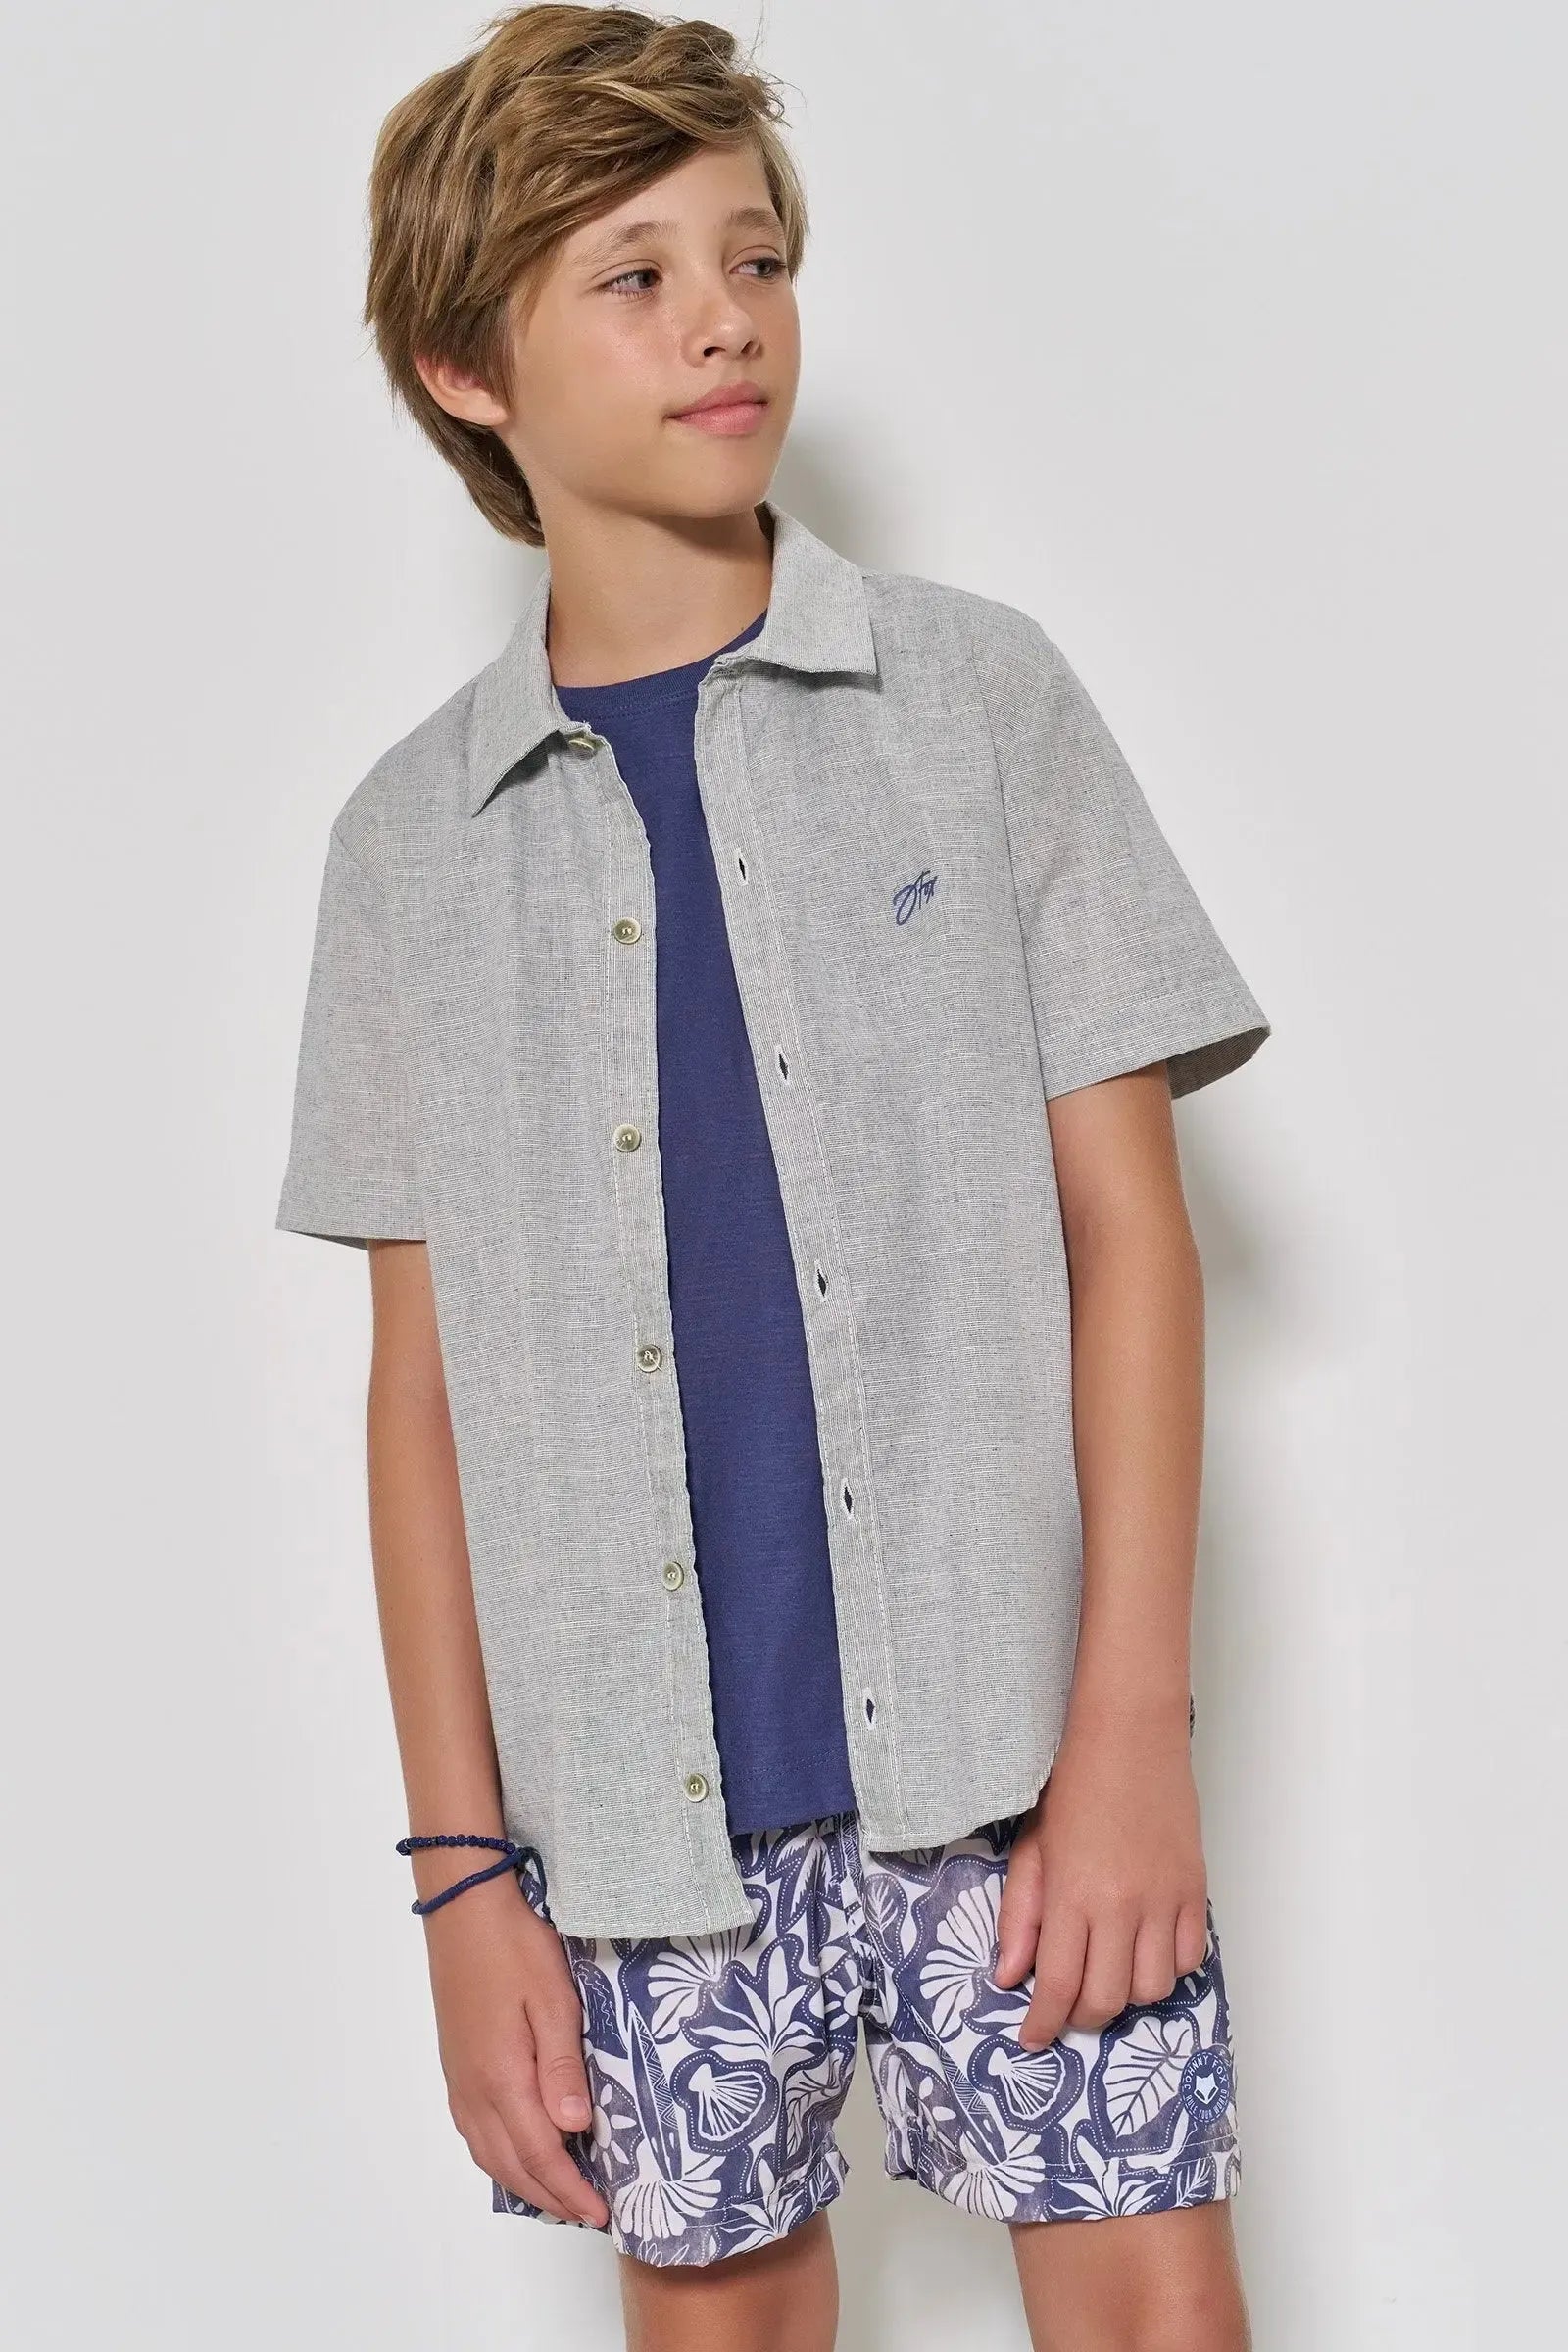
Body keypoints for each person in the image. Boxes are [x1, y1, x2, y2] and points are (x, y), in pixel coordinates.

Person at [273, 9, 1271, 2346]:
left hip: (1013, 1755)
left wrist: (1129, 1737)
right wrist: (465, 1885)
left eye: (754, 258)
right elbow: (419, 1398)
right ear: (465, 372)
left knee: (1149, 2305)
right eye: (631, 278)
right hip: (635, 1824)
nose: (723, 319)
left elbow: (1131, 1239)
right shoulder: (406, 850)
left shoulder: (975, 700)